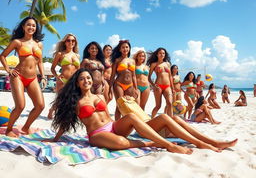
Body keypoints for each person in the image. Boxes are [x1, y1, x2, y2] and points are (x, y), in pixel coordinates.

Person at [45, 68, 237, 154]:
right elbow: (64, 122)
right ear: (77, 83)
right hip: (97, 135)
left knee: (161, 116)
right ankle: (165, 144)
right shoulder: (75, 100)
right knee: (121, 142)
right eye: (82, 79)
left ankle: (209, 141)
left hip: (114, 127)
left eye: (88, 78)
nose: (87, 81)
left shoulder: (100, 96)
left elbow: (113, 116)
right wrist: (55, 139)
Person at [0, 17, 46, 137]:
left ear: (36, 28)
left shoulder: (39, 44)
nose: (31, 27)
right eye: (28, 25)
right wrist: (8, 69)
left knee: (40, 106)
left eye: (33, 25)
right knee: (20, 106)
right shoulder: (17, 42)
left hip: (33, 78)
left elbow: (40, 62)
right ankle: (8, 129)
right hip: (18, 76)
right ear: (23, 27)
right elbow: (3, 56)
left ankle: (25, 128)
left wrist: (44, 76)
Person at [47, 33, 80, 119]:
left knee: (74, 100)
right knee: (60, 100)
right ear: (65, 42)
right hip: (63, 80)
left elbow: (79, 70)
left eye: (73, 40)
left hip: (74, 81)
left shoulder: (77, 55)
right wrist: (57, 77)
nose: (71, 42)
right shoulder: (60, 54)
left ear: (75, 42)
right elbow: (52, 68)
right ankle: (51, 110)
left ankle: (69, 116)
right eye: (68, 40)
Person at [110, 40, 139, 120]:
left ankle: (126, 124)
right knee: (120, 105)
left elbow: (134, 76)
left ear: (129, 49)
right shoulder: (117, 60)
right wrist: (109, 89)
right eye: (123, 47)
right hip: (119, 84)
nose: (125, 49)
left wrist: (136, 89)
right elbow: (112, 75)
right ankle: (117, 125)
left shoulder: (133, 61)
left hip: (130, 85)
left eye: (127, 47)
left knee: (128, 105)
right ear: (120, 49)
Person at [147, 47, 174, 118]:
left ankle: (171, 122)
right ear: (157, 54)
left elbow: (170, 76)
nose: (162, 54)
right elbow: (149, 77)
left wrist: (172, 88)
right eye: (160, 53)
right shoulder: (154, 64)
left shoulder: (167, 64)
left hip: (167, 86)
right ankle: (152, 120)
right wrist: (153, 85)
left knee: (170, 103)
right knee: (158, 106)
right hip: (158, 86)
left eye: (163, 53)